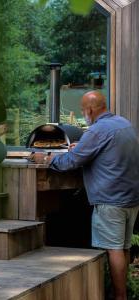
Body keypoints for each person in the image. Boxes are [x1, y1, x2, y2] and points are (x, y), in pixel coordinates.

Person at [33, 90, 139, 300]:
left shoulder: (97, 130)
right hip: (131, 198)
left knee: (114, 249)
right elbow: (105, 152)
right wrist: (80, 147)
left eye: (83, 110)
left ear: (90, 110)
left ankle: (119, 296)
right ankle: (122, 293)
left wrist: (45, 158)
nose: (83, 114)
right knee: (123, 247)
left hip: (110, 200)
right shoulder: (123, 124)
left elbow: (70, 162)